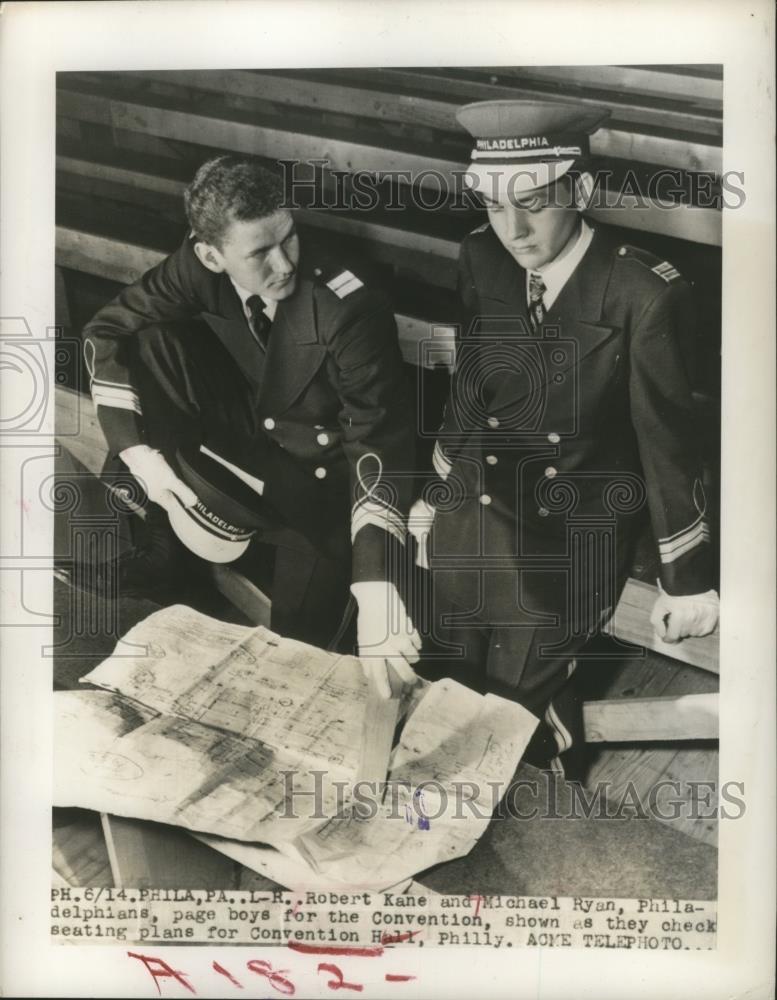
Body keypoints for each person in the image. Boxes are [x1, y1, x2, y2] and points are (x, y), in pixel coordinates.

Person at [410, 99, 719, 774]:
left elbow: (665, 439)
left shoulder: (641, 292)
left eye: (532, 203)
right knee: (442, 684)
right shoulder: (481, 256)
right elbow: (471, 380)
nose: (512, 228)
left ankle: (542, 802)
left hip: (567, 536)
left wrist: (685, 578)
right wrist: (436, 491)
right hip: (477, 507)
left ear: (579, 191)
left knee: (509, 718)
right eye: (492, 205)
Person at [67, 154, 420, 686]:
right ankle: (167, 550)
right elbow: (107, 331)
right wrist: (137, 454)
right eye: (260, 253)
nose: (284, 265)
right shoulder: (196, 262)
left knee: (305, 663)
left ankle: (247, 555)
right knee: (152, 342)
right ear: (211, 255)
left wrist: (377, 584)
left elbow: (378, 445)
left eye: (289, 238)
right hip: (258, 429)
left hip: (323, 476)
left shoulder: (349, 306)